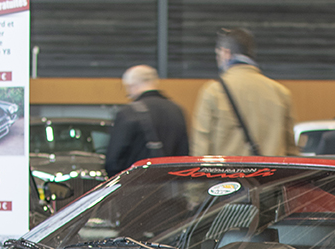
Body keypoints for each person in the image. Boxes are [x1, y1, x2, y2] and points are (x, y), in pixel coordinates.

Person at [190, 28, 297, 157]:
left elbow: (201, 150)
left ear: (226, 53)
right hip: (271, 176)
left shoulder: (214, 92)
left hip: (228, 176)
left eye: (218, 55)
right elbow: (291, 151)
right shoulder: (280, 92)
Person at [104, 65, 189, 176]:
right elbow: (184, 155)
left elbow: (113, 162)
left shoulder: (128, 112)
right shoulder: (177, 110)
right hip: (170, 187)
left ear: (132, 85)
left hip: (136, 186)